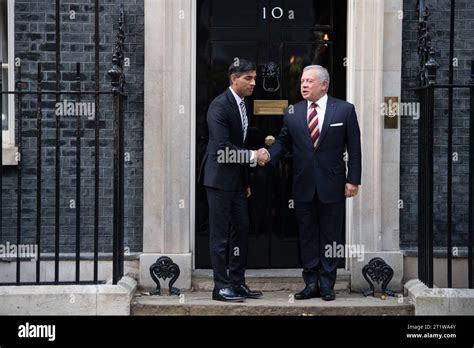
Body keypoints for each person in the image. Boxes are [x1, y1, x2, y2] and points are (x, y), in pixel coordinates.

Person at [258, 65, 362, 301]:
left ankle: (327, 284)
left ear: (324, 85)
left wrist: (353, 180)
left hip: (333, 185)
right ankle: (311, 282)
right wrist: (266, 156)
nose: (303, 85)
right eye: (302, 81)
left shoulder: (344, 110)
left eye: (309, 81)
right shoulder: (292, 112)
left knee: (331, 237)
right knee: (307, 236)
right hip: (303, 185)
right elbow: (282, 143)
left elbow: (354, 148)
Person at [198, 59, 268, 302]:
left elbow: (240, 143)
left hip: (237, 181)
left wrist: (245, 180)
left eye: (255, 78)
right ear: (233, 79)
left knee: (241, 230)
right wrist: (253, 156)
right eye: (248, 78)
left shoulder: (242, 104)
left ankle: (237, 283)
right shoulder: (219, 106)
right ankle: (221, 286)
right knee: (220, 235)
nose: (253, 83)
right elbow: (223, 150)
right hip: (218, 181)